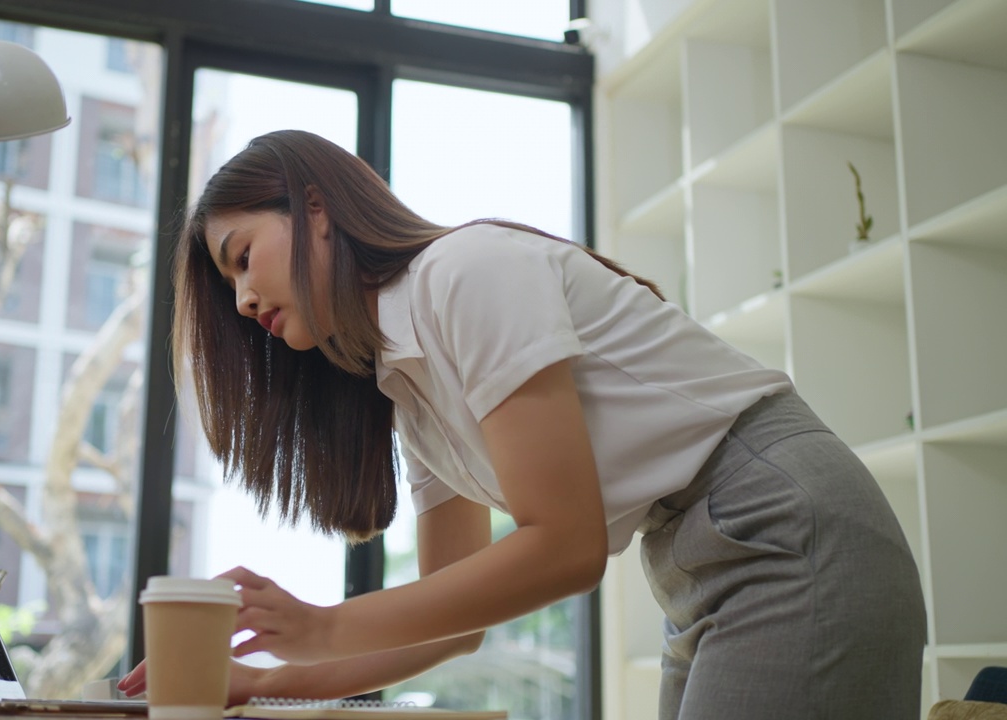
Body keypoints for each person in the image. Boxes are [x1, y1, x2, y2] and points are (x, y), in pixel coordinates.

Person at [116, 129, 926, 719]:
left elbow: (564, 546)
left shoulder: (465, 275)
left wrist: (320, 627)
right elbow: (454, 626)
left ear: (317, 210)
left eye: (241, 257)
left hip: (785, 523)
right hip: (700, 559)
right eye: (229, 286)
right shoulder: (411, 390)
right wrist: (260, 679)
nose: (243, 299)